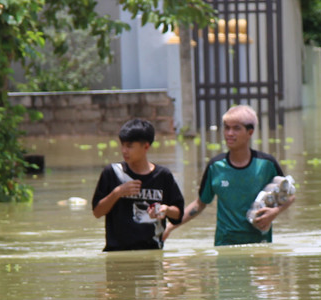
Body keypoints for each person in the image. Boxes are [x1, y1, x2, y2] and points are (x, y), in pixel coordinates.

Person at [174, 104, 292, 246]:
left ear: (250, 132)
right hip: (225, 245)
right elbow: (199, 204)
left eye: (236, 128)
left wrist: (274, 212)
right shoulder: (215, 166)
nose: (230, 133)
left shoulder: (266, 164)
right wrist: (170, 227)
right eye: (227, 128)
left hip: (260, 245)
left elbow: (289, 196)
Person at [91, 118, 184, 251]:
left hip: (152, 253)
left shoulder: (163, 176)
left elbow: (178, 214)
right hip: (117, 254)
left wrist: (165, 209)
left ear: (146, 146)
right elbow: (97, 212)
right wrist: (118, 192)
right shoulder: (112, 173)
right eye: (122, 145)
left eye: (129, 146)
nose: (124, 150)